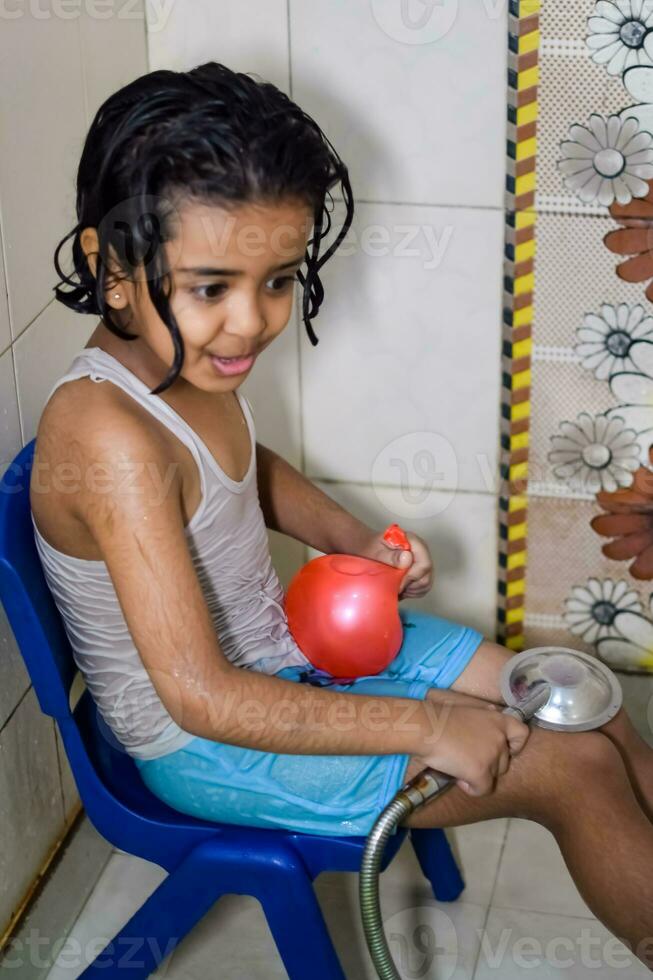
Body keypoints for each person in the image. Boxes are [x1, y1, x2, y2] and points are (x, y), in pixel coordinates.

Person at [29, 61, 653, 968]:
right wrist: (427, 726)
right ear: (109, 264)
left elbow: (242, 470)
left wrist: (349, 540)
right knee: (576, 769)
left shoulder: (177, 364)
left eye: (278, 279)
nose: (250, 323)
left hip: (281, 656)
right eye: (212, 288)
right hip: (208, 740)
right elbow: (201, 697)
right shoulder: (104, 435)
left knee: (581, 702)